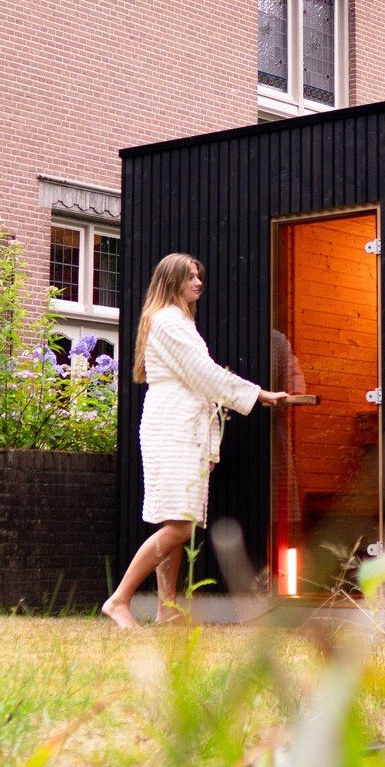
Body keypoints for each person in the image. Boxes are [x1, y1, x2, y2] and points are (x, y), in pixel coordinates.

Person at [101, 253, 286, 628]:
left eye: (199, 275)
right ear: (171, 281)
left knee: (175, 519)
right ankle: (120, 599)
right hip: (174, 426)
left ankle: (167, 608)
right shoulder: (169, 322)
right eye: (190, 277)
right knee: (181, 523)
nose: (199, 282)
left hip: (181, 424)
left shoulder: (177, 320)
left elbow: (201, 377)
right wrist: (257, 394)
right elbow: (204, 374)